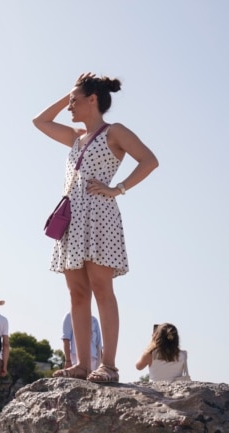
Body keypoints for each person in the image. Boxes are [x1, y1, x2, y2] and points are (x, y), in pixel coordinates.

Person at [33, 73, 159, 382]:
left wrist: (119, 189)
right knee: (76, 293)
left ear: (93, 100)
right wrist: (68, 93)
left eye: (75, 101)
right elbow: (39, 121)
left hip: (100, 215)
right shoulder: (76, 136)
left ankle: (109, 365)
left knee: (102, 288)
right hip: (72, 218)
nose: (69, 107)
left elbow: (149, 160)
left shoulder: (114, 131)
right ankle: (82, 365)